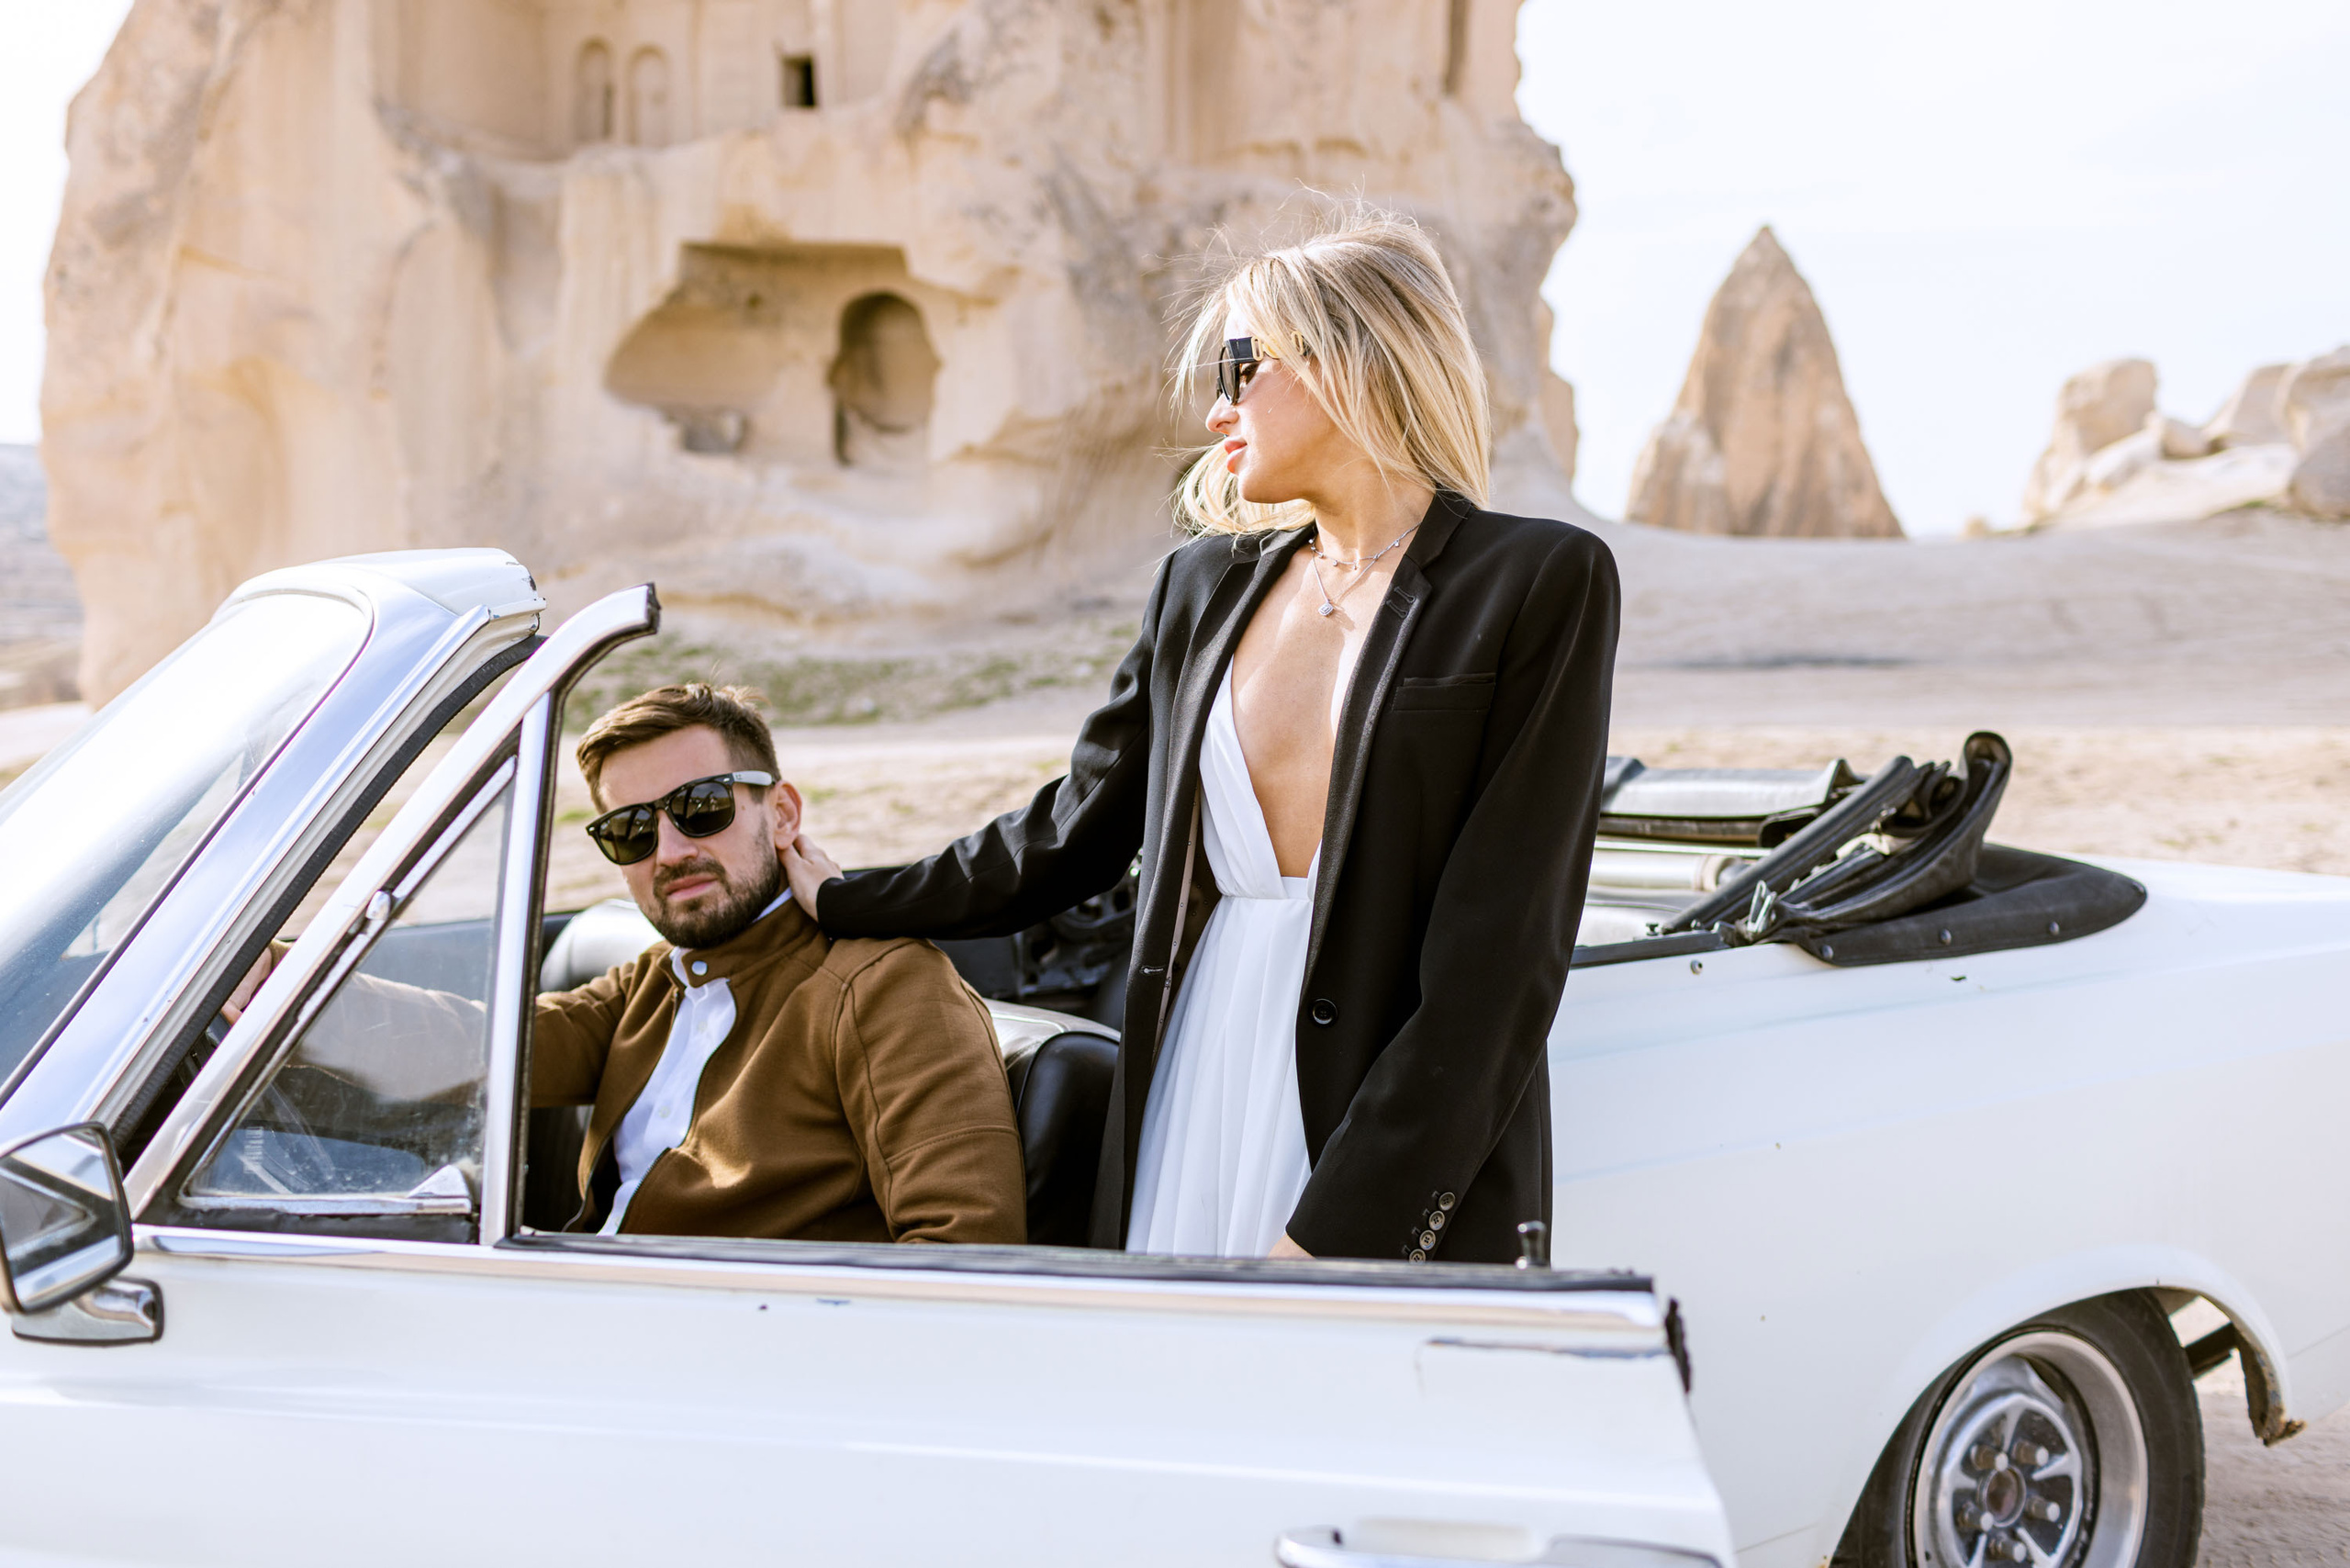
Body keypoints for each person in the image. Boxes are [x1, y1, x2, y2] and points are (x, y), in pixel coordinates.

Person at [782, 210, 1620, 1264]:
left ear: (1345, 358)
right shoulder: (1199, 588)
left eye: (1240, 365)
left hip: (1382, 1106)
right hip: (1195, 1071)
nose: (1217, 409)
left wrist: (1334, 1229)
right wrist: (848, 894)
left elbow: (1500, 959)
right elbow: (1072, 830)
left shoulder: (1538, 581)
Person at [229, 683, 1026, 1245]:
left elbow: (966, 1257)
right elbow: (479, 1044)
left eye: (702, 808)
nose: (671, 851)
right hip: (594, 1317)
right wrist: (285, 978)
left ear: (781, 813)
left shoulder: (884, 985)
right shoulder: (660, 980)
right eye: (631, 832)